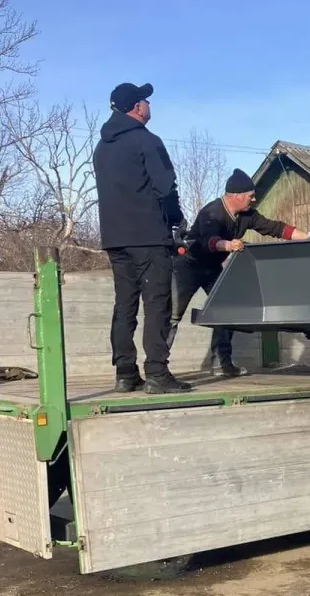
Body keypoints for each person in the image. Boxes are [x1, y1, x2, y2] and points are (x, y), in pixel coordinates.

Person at [93, 82, 191, 395]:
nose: (149, 104)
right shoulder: (147, 141)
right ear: (137, 107)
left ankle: (125, 373)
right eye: (146, 100)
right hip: (149, 236)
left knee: (124, 305)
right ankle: (157, 375)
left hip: (115, 239)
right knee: (157, 305)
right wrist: (176, 220)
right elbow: (165, 188)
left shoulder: (102, 148)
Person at [169, 168, 309, 376]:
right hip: (188, 266)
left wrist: (308, 237)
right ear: (236, 196)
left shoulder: (247, 216)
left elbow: (275, 228)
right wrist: (228, 245)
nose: (254, 199)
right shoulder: (212, 212)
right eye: (250, 196)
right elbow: (209, 242)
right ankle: (157, 368)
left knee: (228, 309)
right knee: (172, 315)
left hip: (213, 268)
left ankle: (221, 363)